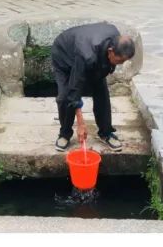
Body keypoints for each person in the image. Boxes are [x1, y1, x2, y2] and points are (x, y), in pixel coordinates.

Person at [50, 23, 136, 152]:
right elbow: (75, 87)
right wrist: (80, 123)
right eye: (119, 61)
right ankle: (65, 133)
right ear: (110, 51)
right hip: (64, 55)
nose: (120, 64)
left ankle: (106, 132)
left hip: (90, 53)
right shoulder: (86, 54)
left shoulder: (114, 35)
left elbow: (106, 65)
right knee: (64, 97)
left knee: (101, 92)